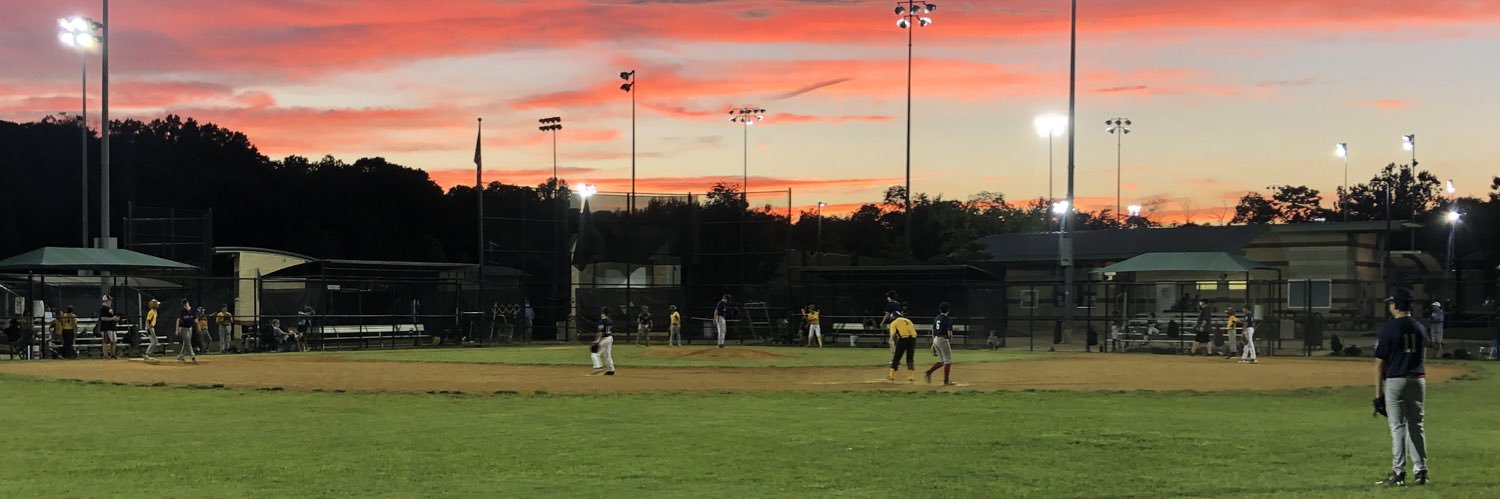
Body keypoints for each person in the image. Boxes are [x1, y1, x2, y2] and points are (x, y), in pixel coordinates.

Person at [1374, 288, 1430, 487]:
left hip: (1396, 380)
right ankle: (1421, 472)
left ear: (1396, 305)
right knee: (1416, 425)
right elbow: (1423, 354)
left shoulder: (1389, 328)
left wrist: (1378, 394)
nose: (1390, 306)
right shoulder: (1419, 327)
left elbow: (1379, 363)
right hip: (1418, 379)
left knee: (1398, 427)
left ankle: (1399, 473)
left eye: (1391, 303)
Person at [924, 302, 955, 385]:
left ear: (940, 310)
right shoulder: (948, 319)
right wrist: (949, 340)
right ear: (949, 310)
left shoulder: (937, 318)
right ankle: (946, 381)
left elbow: (933, 331)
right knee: (948, 360)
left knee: (942, 361)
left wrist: (933, 343)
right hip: (943, 339)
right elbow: (949, 333)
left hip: (936, 339)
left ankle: (928, 372)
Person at [887, 309, 918, 383]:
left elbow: (894, 335)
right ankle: (911, 377)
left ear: (893, 317)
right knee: (910, 358)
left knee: (896, 357)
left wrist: (895, 343)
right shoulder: (908, 320)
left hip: (903, 339)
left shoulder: (894, 322)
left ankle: (891, 376)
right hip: (913, 339)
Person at [590, 307, 615, 376]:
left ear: (603, 313)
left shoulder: (602, 321)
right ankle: (611, 370)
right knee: (607, 355)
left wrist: (597, 341)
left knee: (594, 353)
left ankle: (598, 367)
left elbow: (601, 332)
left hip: (604, 339)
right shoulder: (610, 321)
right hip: (610, 338)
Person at [175, 299, 198, 364]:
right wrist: (177, 330)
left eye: (185, 303)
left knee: (186, 343)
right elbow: (178, 320)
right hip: (183, 328)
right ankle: (193, 356)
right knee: (188, 342)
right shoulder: (182, 311)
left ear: (188, 303)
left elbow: (196, 320)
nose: (185, 305)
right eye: (184, 304)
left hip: (190, 328)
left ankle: (179, 357)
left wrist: (198, 328)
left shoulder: (193, 310)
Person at [98, 295, 120, 359]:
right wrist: (113, 318)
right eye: (109, 300)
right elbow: (103, 318)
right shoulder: (103, 309)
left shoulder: (110, 309)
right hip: (106, 327)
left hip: (112, 327)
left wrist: (116, 319)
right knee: (106, 341)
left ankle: (113, 354)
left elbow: (111, 317)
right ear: (105, 301)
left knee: (114, 341)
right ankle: (105, 355)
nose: (110, 302)